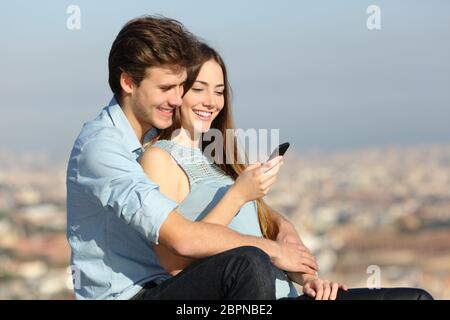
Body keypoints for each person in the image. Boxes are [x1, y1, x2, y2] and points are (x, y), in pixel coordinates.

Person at [139, 43, 434, 301]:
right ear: (177, 93)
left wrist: (309, 279)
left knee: (418, 296)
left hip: (287, 291)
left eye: (219, 91)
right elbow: (176, 262)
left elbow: (261, 231)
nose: (212, 102)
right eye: (199, 89)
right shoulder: (158, 158)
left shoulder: (217, 158)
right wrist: (238, 196)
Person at [66, 15, 318, 300]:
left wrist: (282, 230)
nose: (176, 100)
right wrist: (273, 250)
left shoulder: (158, 137)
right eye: (165, 89)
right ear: (128, 82)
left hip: (169, 287)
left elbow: (252, 210)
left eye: (180, 87)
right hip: (131, 296)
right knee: (247, 263)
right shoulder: (101, 148)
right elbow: (182, 240)